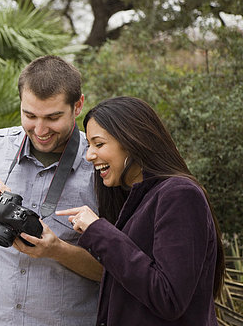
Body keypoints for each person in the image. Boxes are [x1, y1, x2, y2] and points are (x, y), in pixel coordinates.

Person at [0, 55, 102, 326]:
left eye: (53, 117)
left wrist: (57, 250)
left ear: (78, 106)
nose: (40, 129)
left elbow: (116, 271)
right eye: (30, 115)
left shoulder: (100, 164)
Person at [57, 96, 226, 326]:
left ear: (131, 140)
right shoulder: (136, 199)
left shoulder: (180, 194)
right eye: (88, 145)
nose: (89, 155)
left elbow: (169, 298)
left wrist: (99, 232)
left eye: (99, 144)